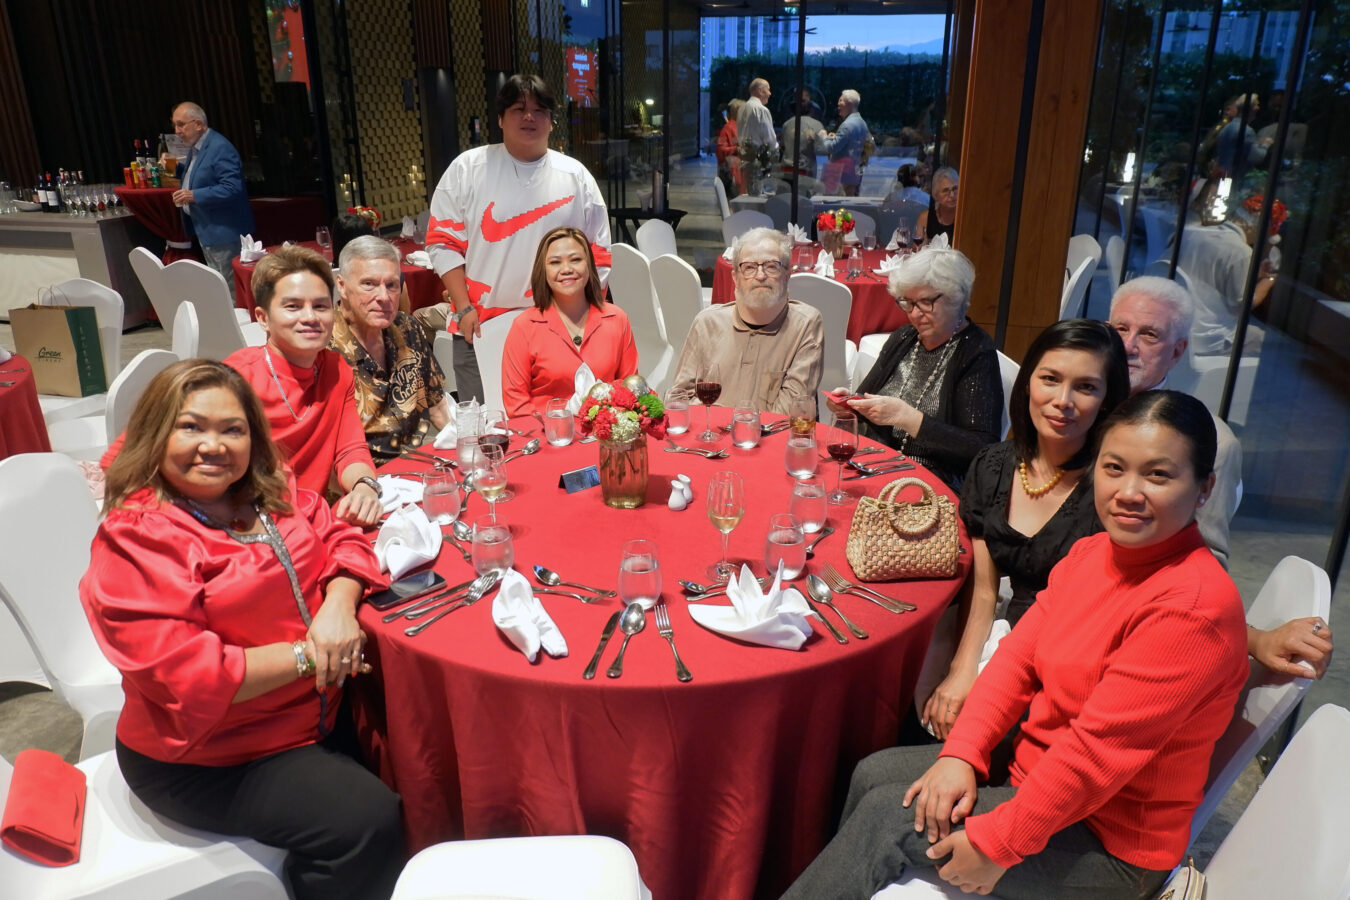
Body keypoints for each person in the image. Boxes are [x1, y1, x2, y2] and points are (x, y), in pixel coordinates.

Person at [782, 390, 1250, 900]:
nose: (1128, 492)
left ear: (1204, 489)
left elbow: (1095, 756)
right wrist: (962, 753)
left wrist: (999, 844)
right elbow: (1018, 660)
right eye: (1114, 468)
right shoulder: (1095, 553)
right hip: (1033, 771)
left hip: (1108, 841)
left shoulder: (1191, 608)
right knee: (872, 773)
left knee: (884, 820)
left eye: (1158, 475)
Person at [80, 359, 403, 900]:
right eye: (191, 427)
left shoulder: (269, 492)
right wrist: (311, 655)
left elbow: (343, 537)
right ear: (156, 433)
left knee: (406, 748)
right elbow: (192, 678)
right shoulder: (138, 538)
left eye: (232, 429)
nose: (213, 446)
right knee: (368, 820)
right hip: (212, 754)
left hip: (311, 714)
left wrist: (339, 605)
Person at [1107, 275, 1333, 678]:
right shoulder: (1072, 408)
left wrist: (1254, 639)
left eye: (1149, 335)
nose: (1128, 346)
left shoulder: (1211, 443)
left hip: (1125, 620)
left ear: (1178, 351)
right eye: (1120, 329)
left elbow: (1202, 567)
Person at [921, 320, 1130, 739]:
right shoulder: (994, 465)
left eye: (1086, 387)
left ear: (1107, 401)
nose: (1062, 401)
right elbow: (984, 590)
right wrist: (962, 671)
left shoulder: (1112, 489)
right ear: (1028, 382)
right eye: (1050, 379)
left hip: (1066, 662)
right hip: (999, 633)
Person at [423, 74, 611, 404]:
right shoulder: (468, 169)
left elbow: (598, 254)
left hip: (557, 328)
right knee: (484, 423)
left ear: (551, 122)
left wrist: (583, 318)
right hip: (478, 325)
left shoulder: (575, 177)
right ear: (500, 118)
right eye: (518, 109)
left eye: (539, 110)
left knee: (556, 419)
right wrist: (463, 307)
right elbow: (443, 242)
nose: (529, 117)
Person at [835, 244, 1002, 488]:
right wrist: (849, 405)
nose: (914, 314)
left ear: (956, 298)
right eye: (908, 303)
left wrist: (909, 419)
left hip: (932, 483)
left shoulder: (975, 352)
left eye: (925, 302)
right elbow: (867, 397)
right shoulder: (905, 337)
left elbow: (983, 449)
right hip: (877, 465)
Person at [670, 227, 822, 415]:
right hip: (709, 434)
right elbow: (678, 399)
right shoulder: (707, 323)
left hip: (771, 435)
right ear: (735, 277)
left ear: (787, 275)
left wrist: (720, 418)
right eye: (749, 267)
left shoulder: (805, 325)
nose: (760, 276)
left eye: (772, 266)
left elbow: (790, 415)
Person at [331, 235, 450, 460]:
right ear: (342, 286)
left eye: (392, 285)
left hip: (417, 463)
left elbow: (437, 408)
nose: (384, 297)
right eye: (369, 284)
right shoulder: (323, 349)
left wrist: (467, 450)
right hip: (359, 473)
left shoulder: (407, 328)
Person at [501, 226, 638, 417]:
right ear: (543, 271)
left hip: (605, 430)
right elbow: (517, 406)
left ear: (589, 266)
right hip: (546, 432)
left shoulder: (617, 319)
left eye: (575, 260)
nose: (566, 269)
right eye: (555, 262)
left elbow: (630, 392)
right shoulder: (524, 326)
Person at [160, 102, 255, 300]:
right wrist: (174, 168)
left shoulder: (220, 148)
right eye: (174, 125)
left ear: (198, 124)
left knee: (231, 291)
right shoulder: (198, 146)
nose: (176, 131)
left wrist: (193, 195)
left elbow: (232, 188)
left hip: (224, 232)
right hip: (207, 229)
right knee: (220, 287)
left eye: (181, 125)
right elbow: (198, 175)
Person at [1177, 193, 1284, 355]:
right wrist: (1268, 280)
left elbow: (1210, 276)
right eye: (1268, 232)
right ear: (1261, 226)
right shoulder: (1241, 252)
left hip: (1178, 324)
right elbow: (1241, 307)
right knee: (1269, 343)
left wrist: (1254, 274)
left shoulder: (1197, 233)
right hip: (1206, 338)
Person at [821, 90, 870, 196]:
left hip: (840, 173)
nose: (838, 104)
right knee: (849, 202)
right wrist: (835, 138)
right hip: (853, 171)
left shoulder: (847, 125)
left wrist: (824, 137)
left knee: (833, 203)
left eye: (841, 100)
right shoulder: (862, 123)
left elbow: (832, 148)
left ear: (850, 103)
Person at [737, 78, 777, 188]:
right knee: (758, 194)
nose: (770, 93)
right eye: (768, 89)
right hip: (759, 164)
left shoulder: (741, 109)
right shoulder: (761, 110)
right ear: (760, 91)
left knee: (746, 192)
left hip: (743, 162)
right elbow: (770, 141)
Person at [779, 89, 825, 182]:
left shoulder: (786, 124)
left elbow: (782, 147)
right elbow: (822, 153)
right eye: (799, 100)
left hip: (786, 173)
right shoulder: (817, 126)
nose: (801, 104)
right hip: (805, 175)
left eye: (803, 101)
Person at [917, 166, 958, 246]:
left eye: (955, 189)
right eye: (945, 190)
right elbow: (917, 248)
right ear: (936, 195)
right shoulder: (925, 218)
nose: (952, 195)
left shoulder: (964, 218)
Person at [716, 99, 746, 196]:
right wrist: (735, 149)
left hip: (740, 172)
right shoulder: (728, 128)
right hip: (732, 174)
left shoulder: (742, 127)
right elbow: (720, 150)